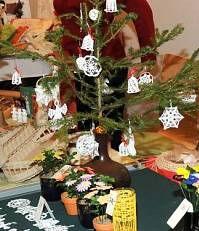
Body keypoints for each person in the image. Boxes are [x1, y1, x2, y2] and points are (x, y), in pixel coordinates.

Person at [53, 0, 156, 149]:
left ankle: (114, 165)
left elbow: (141, 9)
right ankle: (90, 167)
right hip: (79, 64)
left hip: (109, 63)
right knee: (86, 128)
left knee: (111, 130)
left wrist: (148, 54)